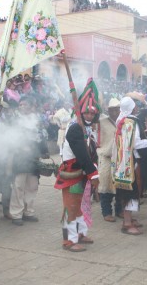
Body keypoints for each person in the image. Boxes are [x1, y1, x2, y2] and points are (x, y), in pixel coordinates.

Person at [54, 108, 99, 252]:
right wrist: (93, 173)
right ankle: (69, 240)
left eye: (92, 113)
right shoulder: (75, 128)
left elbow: (90, 152)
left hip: (82, 172)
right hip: (72, 173)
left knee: (80, 205)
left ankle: (80, 233)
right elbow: (81, 153)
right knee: (71, 206)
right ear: (80, 113)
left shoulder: (86, 128)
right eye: (86, 113)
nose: (90, 116)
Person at [113, 96, 147, 235]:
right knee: (131, 191)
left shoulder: (120, 120)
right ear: (134, 108)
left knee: (126, 190)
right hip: (131, 161)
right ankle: (126, 223)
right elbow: (136, 143)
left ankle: (129, 219)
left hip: (121, 162)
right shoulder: (133, 122)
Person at [9, 97, 48, 226]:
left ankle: (28, 212)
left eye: (25, 105)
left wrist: (44, 151)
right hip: (20, 158)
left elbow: (42, 137)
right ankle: (16, 214)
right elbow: (9, 139)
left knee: (32, 186)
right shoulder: (15, 121)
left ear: (31, 107)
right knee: (18, 186)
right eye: (20, 105)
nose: (22, 107)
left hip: (34, 158)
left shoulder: (36, 121)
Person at [98, 98, 122, 222]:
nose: (114, 112)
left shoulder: (122, 122)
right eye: (112, 110)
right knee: (105, 185)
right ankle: (106, 212)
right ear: (108, 110)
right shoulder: (101, 121)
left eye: (117, 109)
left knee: (119, 186)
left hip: (120, 158)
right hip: (106, 157)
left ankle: (119, 209)